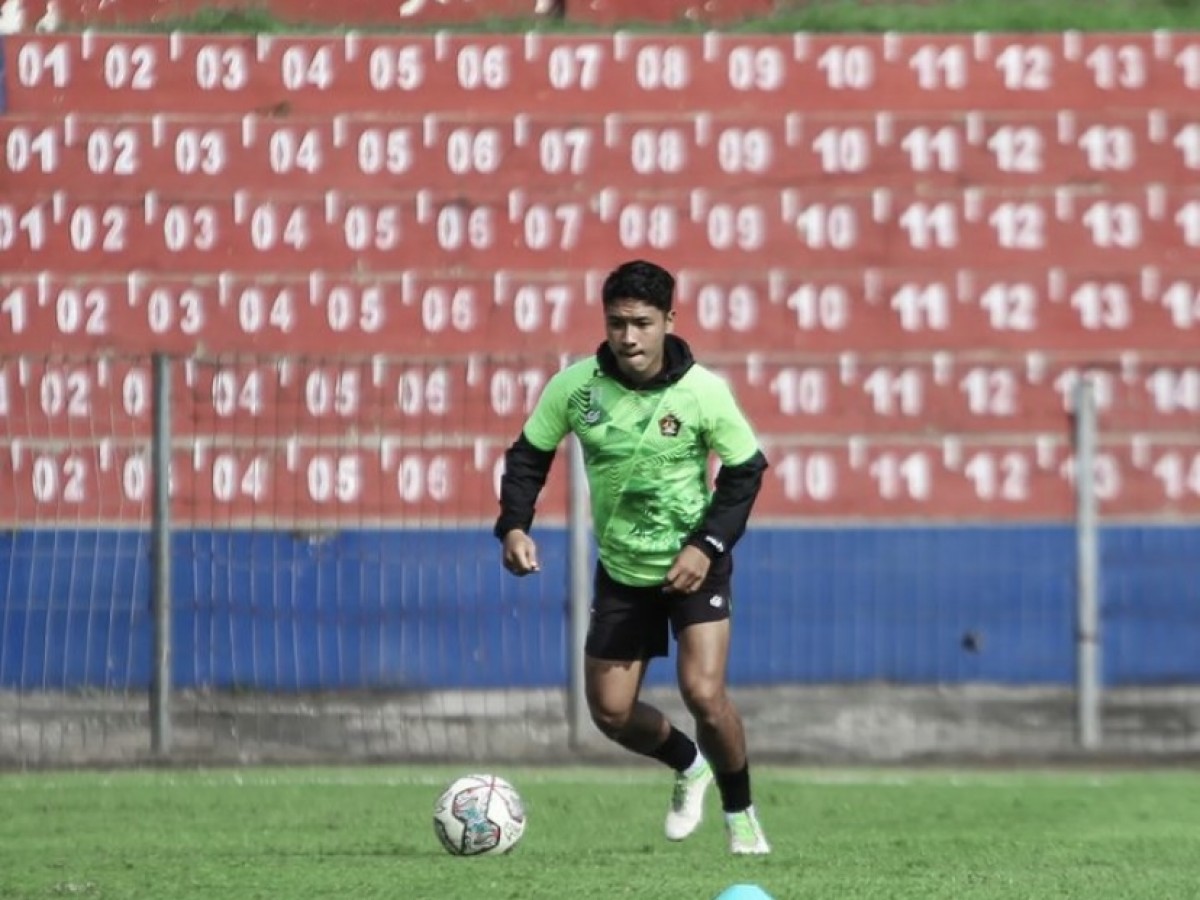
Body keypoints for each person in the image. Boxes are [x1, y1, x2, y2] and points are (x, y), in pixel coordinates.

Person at [493, 259, 771, 855]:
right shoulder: (575, 388)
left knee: (703, 694)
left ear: (669, 320)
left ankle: (740, 810)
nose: (629, 337)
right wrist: (514, 526)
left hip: (694, 564)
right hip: (623, 569)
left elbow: (747, 470)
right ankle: (687, 763)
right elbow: (527, 457)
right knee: (612, 714)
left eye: (642, 323)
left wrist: (707, 545)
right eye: (617, 323)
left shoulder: (702, 392)